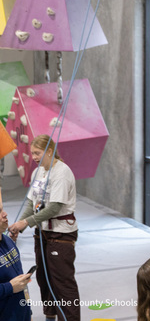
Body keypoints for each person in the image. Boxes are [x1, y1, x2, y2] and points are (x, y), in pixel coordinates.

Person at [8, 135, 79, 321]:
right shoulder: (37, 172)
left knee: (63, 281)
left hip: (61, 233)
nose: (34, 157)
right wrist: (18, 226)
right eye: (32, 153)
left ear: (49, 151)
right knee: (43, 278)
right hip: (42, 233)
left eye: (37, 153)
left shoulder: (62, 172)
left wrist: (26, 222)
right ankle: (50, 316)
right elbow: (31, 203)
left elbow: (54, 208)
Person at [0, 199, 33, 320]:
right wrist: (10, 287)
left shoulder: (8, 241)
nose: (5, 214)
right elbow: (14, 285)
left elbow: (21, 283)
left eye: (3, 209)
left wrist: (29, 312)